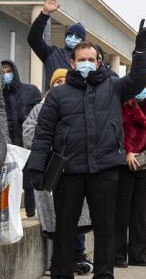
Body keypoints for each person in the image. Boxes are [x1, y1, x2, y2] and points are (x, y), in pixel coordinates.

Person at [25, 20, 146, 278]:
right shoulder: (58, 95)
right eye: (80, 59)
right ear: (72, 63)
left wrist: (140, 50)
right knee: (65, 229)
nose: (85, 62)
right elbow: (43, 134)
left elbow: (139, 78)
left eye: (90, 59)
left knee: (105, 229)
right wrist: (36, 167)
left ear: (98, 62)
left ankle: (104, 275)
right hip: (68, 171)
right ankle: (62, 273)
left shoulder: (114, 87)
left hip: (104, 169)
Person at [22, 69, 94, 276]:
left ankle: (78, 256)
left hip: (73, 166)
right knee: (55, 217)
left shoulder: (78, 104)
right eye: (57, 81)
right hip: (49, 168)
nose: (61, 84)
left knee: (77, 213)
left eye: (65, 80)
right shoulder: (39, 108)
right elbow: (29, 134)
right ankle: (59, 261)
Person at [113, 83, 146, 268]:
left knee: (139, 212)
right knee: (121, 211)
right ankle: (117, 254)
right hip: (123, 165)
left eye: (145, 89)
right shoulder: (122, 107)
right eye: (138, 88)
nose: (142, 92)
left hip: (142, 167)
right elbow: (117, 133)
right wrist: (127, 152)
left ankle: (138, 254)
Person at [3, 59, 42, 217]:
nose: (6, 75)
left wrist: (26, 117)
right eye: (3, 72)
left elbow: (39, 112)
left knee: (29, 182)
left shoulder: (30, 91)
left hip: (26, 142)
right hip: (8, 142)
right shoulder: (1, 93)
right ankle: (9, 216)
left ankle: (31, 213)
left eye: (8, 71)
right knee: (8, 180)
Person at [27, 0, 88, 91]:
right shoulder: (52, 54)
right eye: (70, 35)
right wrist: (45, 14)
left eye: (77, 36)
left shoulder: (86, 61)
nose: (72, 38)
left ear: (82, 41)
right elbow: (33, 39)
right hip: (53, 103)